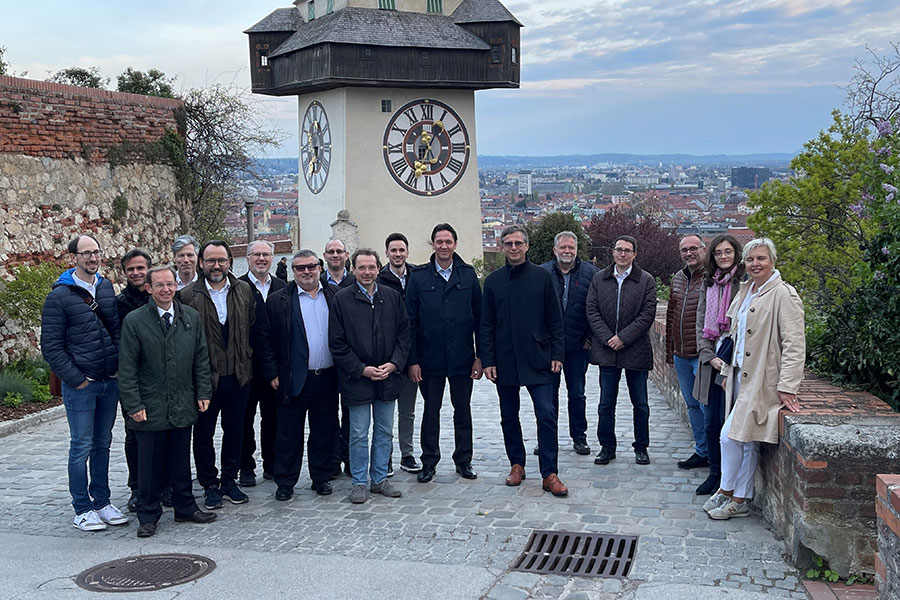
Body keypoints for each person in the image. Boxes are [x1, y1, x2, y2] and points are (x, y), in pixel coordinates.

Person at [705, 238, 805, 520]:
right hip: (738, 374)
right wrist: (726, 372)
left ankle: (727, 491)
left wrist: (787, 386)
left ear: (772, 260)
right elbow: (734, 338)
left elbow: (795, 343)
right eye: (750, 260)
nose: (755, 264)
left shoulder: (783, 294)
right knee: (745, 439)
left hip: (763, 379)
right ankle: (739, 498)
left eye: (761, 258)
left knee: (731, 436)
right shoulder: (747, 290)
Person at [118, 265, 217, 538]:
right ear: (149, 288)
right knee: (149, 464)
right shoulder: (135, 321)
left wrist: (203, 392)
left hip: (183, 400)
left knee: (180, 460)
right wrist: (134, 405)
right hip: (150, 404)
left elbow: (201, 358)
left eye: (170, 284)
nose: (166, 289)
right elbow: (127, 368)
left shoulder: (190, 318)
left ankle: (185, 506)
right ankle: (148, 515)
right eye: (159, 285)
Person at [40, 234, 130, 531]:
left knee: (102, 444)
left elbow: (115, 330)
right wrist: (77, 379)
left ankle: (102, 502)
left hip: (108, 381)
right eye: (86, 253)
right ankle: (82, 507)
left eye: (96, 252)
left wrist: (116, 365)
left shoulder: (105, 287)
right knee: (81, 445)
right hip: (82, 384)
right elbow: (51, 346)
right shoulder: (60, 296)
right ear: (73, 258)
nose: (93, 258)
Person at [481, 226, 568, 497]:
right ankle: (516, 464)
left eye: (518, 243)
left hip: (538, 357)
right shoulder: (493, 281)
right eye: (508, 243)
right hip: (505, 359)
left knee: (546, 413)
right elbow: (486, 324)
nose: (514, 247)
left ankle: (549, 472)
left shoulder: (542, 277)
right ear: (502, 247)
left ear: (527, 246)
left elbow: (555, 319)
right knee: (509, 416)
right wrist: (488, 359)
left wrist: (557, 354)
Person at [179, 240, 261, 510]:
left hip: (238, 375)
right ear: (201, 262)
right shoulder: (188, 295)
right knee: (203, 434)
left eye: (222, 260)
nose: (216, 266)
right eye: (211, 260)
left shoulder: (244, 290)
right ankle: (209, 484)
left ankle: (229, 479)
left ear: (230, 262)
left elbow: (250, 327)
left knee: (236, 430)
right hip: (205, 378)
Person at [329, 249, 410, 504]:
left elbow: (404, 336)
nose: (367, 272)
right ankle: (358, 482)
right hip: (357, 379)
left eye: (371, 268)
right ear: (353, 269)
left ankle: (379, 479)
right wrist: (361, 368)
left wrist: (394, 364)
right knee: (358, 433)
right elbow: (337, 343)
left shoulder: (393, 297)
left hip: (388, 377)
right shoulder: (342, 300)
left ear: (378, 268)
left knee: (384, 431)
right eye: (361, 268)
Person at [406, 223, 482, 483]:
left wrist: (480, 356)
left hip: (462, 356)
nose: (444, 246)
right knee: (431, 410)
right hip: (430, 358)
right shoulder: (419, 277)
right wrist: (413, 361)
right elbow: (410, 323)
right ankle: (429, 461)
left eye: (448, 241)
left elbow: (480, 320)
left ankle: (464, 460)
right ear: (433, 245)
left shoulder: (468, 275)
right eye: (439, 241)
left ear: (455, 244)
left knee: (462, 409)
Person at [266, 250, 339, 500]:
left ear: (320, 267)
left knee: (323, 430)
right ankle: (285, 482)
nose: (306, 271)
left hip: (327, 377)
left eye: (311, 266)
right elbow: (266, 339)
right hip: (293, 378)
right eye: (300, 268)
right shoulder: (278, 300)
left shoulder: (334, 296)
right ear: (293, 271)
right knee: (288, 433)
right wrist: (272, 372)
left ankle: (321, 477)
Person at [586, 235, 657, 466]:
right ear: (613, 252)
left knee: (640, 403)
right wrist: (608, 338)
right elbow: (592, 310)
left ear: (635, 254)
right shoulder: (600, 278)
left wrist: (623, 338)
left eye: (627, 250)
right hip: (607, 350)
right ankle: (607, 447)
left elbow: (647, 314)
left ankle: (641, 447)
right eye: (619, 250)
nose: (622, 254)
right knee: (606, 402)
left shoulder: (646, 280)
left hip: (635, 348)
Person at [693, 234, 744, 496]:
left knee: (733, 424)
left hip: (736, 362)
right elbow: (701, 319)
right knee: (712, 421)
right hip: (711, 362)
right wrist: (707, 353)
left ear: (736, 253)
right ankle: (714, 473)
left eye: (728, 252)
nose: (723, 257)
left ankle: (730, 478)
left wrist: (725, 359)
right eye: (718, 253)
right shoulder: (709, 282)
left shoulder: (744, 282)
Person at [539, 231, 597, 456]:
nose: (567, 251)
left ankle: (579, 437)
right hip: (548, 347)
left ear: (576, 249)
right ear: (555, 250)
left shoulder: (591, 274)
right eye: (563, 247)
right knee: (547, 396)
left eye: (571, 247)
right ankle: (547, 437)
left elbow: (597, 309)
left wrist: (590, 339)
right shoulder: (541, 273)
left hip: (577, 346)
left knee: (577, 394)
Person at [238, 240, 285, 487]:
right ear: (247, 258)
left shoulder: (282, 286)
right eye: (257, 254)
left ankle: (272, 464)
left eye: (266, 254)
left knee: (273, 419)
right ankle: (245, 467)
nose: (261, 259)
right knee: (244, 419)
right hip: (245, 368)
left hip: (273, 369)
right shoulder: (237, 286)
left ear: (272, 258)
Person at [376, 232, 421, 475]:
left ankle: (407, 453)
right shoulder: (379, 278)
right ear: (387, 253)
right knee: (385, 411)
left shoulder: (416, 276)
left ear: (407, 252)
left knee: (408, 410)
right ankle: (386, 456)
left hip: (410, 355)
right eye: (393, 250)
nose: (398, 254)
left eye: (401, 250)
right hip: (386, 356)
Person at [665, 235, 709, 470]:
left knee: (707, 407)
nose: (689, 253)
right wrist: (669, 351)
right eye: (684, 250)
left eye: (693, 248)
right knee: (692, 406)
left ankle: (715, 455)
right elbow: (671, 314)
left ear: (704, 249)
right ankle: (702, 451)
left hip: (702, 355)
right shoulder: (679, 278)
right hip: (681, 354)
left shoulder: (713, 278)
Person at [115, 248, 153, 513]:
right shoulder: (118, 304)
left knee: (164, 433)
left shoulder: (161, 297)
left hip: (162, 379)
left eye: (141, 268)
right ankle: (137, 488)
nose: (136, 273)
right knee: (134, 435)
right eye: (131, 269)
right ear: (125, 273)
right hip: (133, 379)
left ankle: (163, 485)